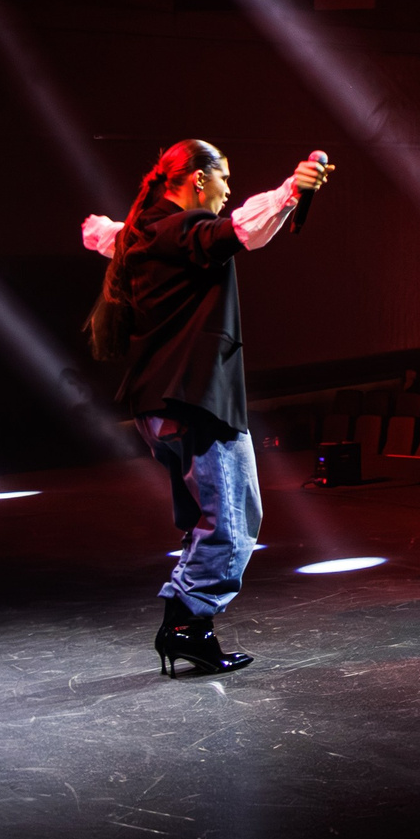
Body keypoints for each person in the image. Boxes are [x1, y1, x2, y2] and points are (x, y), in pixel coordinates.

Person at [80, 139, 334, 675]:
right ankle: (186, 625)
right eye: (224, 177)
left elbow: (114, 237)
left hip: (159, 405)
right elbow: (241, 230)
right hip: (196, 400)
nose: (228, 188)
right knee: (233, 521)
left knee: (212, 517)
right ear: (199, 178)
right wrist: (290, 191)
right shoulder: (184, 229)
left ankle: (187, 625)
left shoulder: (148, 231)